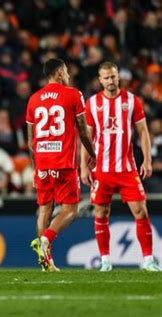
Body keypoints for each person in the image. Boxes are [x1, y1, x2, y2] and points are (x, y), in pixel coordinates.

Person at [81, 61, 160, 272]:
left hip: (127, 169)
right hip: (101, 170)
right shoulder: (92, 103)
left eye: (113, 76)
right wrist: (83, 166)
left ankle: (148, 259)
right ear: (100, 80)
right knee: (100, 213)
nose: (110, 81)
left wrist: (147, 160)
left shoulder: (132, 101)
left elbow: (143, 132)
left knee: (141, 212)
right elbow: (87, 137)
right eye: (106, 78)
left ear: (119, 77)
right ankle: (105, 261)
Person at [26, 58, 96, 271]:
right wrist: (92, 153)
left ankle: (46, 263)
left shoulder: (34, 99)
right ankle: (45, 240)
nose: (68, 75)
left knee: (45, 208)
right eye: (66, 72)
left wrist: (35, 167)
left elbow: (30, 141)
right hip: (63, 162)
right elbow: (83, 130)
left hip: (42, 162)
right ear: (58, 73)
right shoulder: (73, 94)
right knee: (70, 210)